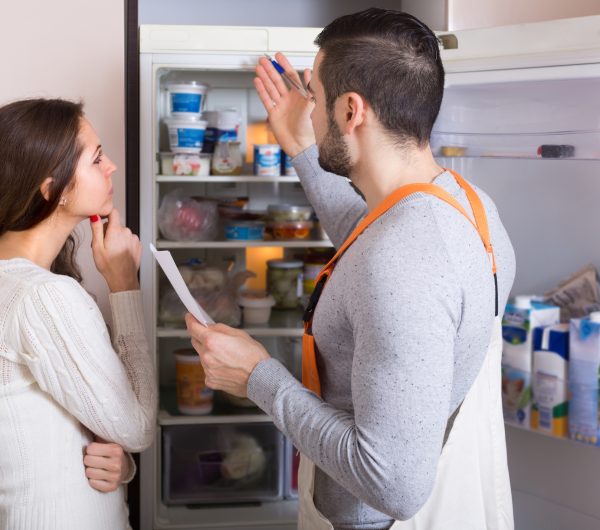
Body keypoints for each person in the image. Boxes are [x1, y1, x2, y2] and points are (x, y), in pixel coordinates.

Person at [186, 8, 516, 530]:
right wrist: (298, 144)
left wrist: (257, 376)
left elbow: (393, 486)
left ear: (350, 110)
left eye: (313, 96)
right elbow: (371, 241)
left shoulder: (401, 264)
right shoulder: (470, 207)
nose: (308, 109)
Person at [0, 98, 157, 530]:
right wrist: (125, 284)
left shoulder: (15, 285)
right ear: (52, 188)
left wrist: (119, 465)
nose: (112, 169)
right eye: (98, 158)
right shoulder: (42, 298)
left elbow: (40, 432)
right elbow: (139, 426)